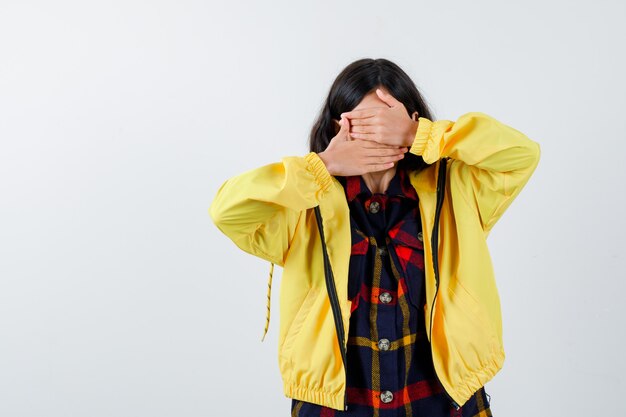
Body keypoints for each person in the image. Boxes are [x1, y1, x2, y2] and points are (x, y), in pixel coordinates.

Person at [209, 58, 541, 417]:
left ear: (410, 119)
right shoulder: (303, 204)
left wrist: (421, 137)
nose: (374, 135)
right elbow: (227, 211)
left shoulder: (456, 190)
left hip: (445, 397)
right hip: (335, 403)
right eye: (360, 123)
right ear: (336, 126)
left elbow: (521, 155)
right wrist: (322, 165)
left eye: (386, 123)